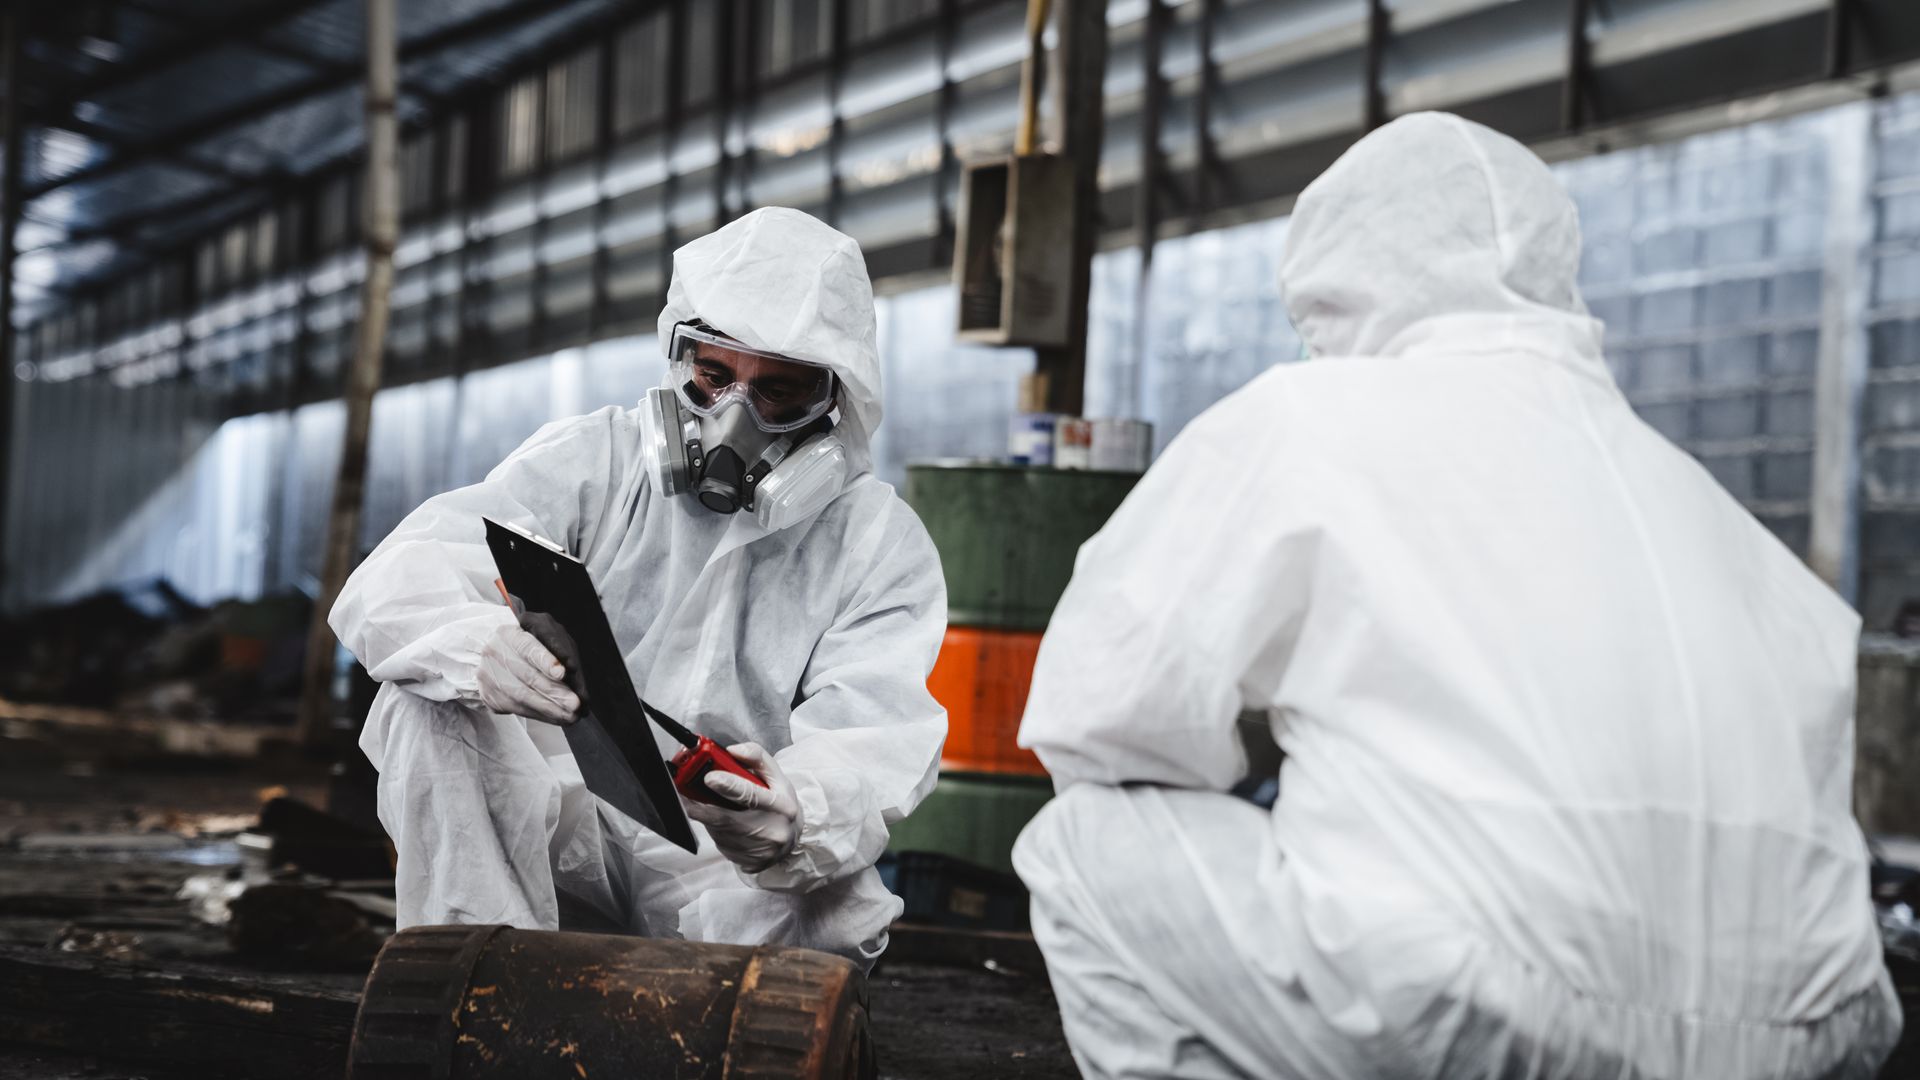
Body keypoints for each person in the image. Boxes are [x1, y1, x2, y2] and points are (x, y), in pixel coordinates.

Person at [1013, 112, 1902, 1077]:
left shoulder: (1310, 418)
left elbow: (1097, 722)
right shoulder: (1719, 517)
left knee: (1084, 845)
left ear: (1338, 286)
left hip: (1481, 1004)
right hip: (1804, 1032)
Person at [330, 207, 947, 970]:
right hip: (561, 826)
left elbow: (878, 733)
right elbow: (403, 572)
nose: (734, 418)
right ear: (679, 356)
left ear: (836, 398)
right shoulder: (598, 460)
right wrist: (478, 647)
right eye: (714, 376)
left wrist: (793, 811)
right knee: (424, 700)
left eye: (778, 392)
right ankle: (477, 986)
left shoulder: (875, 541)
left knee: (830, 901)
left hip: (727, 870)